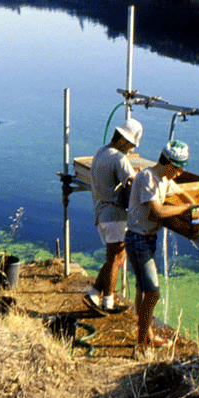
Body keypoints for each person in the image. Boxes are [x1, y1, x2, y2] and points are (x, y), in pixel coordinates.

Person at [124, 139, 197, 352]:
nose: (180, 173)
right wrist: (184, 208)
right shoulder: (149, 177)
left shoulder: (164, 179)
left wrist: (191, 204)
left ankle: (147, 335)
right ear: (169, 164)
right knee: (153, 293)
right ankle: (140, 344)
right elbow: (157, 212)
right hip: (138, 239)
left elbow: (185, 195)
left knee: (141, 290)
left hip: (146, 239)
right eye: (179, 168)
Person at [83, 118, 143, 316]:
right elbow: (135, 186)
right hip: (115, 215)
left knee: (116, 258)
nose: (132, 150)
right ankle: (107, 303)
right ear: (124, 141)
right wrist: (140, 176)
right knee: (115, 260)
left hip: (101, 213)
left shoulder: (100, 152)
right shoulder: (119, 159)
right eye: (132, 145)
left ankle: (94, 293)